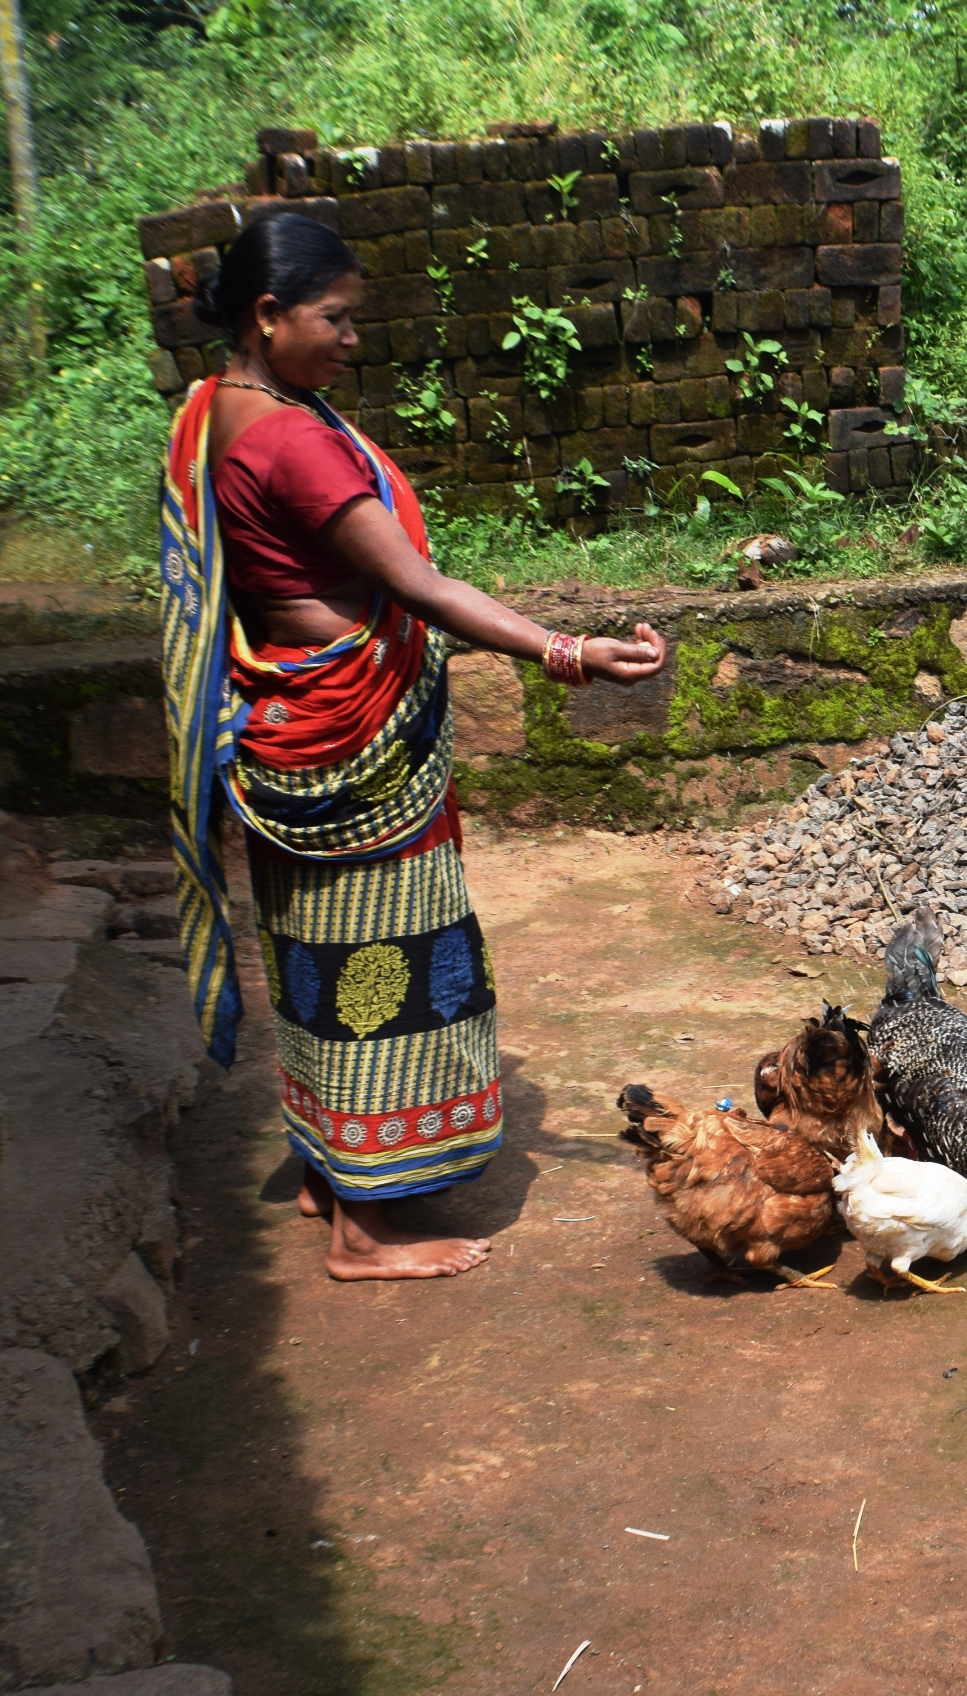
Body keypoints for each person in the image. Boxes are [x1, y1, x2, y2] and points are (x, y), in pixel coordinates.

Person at [158, 212, 666, 1280]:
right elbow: (420, 587)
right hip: (352, 752)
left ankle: (326, 1166)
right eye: (336, 319)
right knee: (378, 965)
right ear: (267, 314)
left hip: (287, 731)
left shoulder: (217, 406)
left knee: (309, 958)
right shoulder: (291, 438)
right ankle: (365, 1230)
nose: (354, 340)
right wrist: (566, 651)